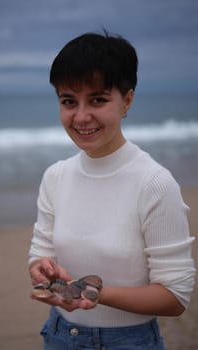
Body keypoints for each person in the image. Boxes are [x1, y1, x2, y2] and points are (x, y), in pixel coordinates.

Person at [28, 31, 196, 350]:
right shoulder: (56, 176)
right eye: (68, 101)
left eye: (98, 99)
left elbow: (175, 297)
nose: (80, 116)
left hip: (129, 342)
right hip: (59, 335)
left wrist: (92, 293)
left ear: (127, 100)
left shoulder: (154, 183)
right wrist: (41, 267)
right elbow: (41, 249)